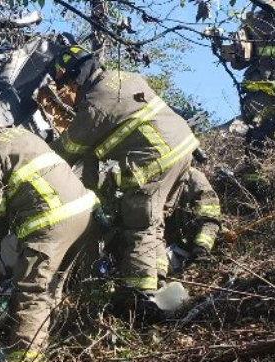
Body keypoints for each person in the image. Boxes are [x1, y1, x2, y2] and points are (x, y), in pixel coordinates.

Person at [0, 96, 97, 362]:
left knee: (30, 292)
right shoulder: (20, 134)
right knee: (54, 286)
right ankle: (68, 338)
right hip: (84, 210)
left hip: (53, 224)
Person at [48, 45, 199, 312]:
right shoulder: (124, 76)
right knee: (155, 223)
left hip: (154, 161)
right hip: (182, 148)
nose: (66, 93)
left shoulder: (95, 104)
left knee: (139, 226)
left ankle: (139, 298)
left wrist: (40, 160)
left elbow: (68, 150)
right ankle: (158, 281)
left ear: (76, 77)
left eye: (67, 85)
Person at [209, 0, 275, 195]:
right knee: (258, 138)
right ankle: (254, 188)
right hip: (261, 90)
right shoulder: (253, 19)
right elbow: (240, 61)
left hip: (263, 89)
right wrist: (221, 45)